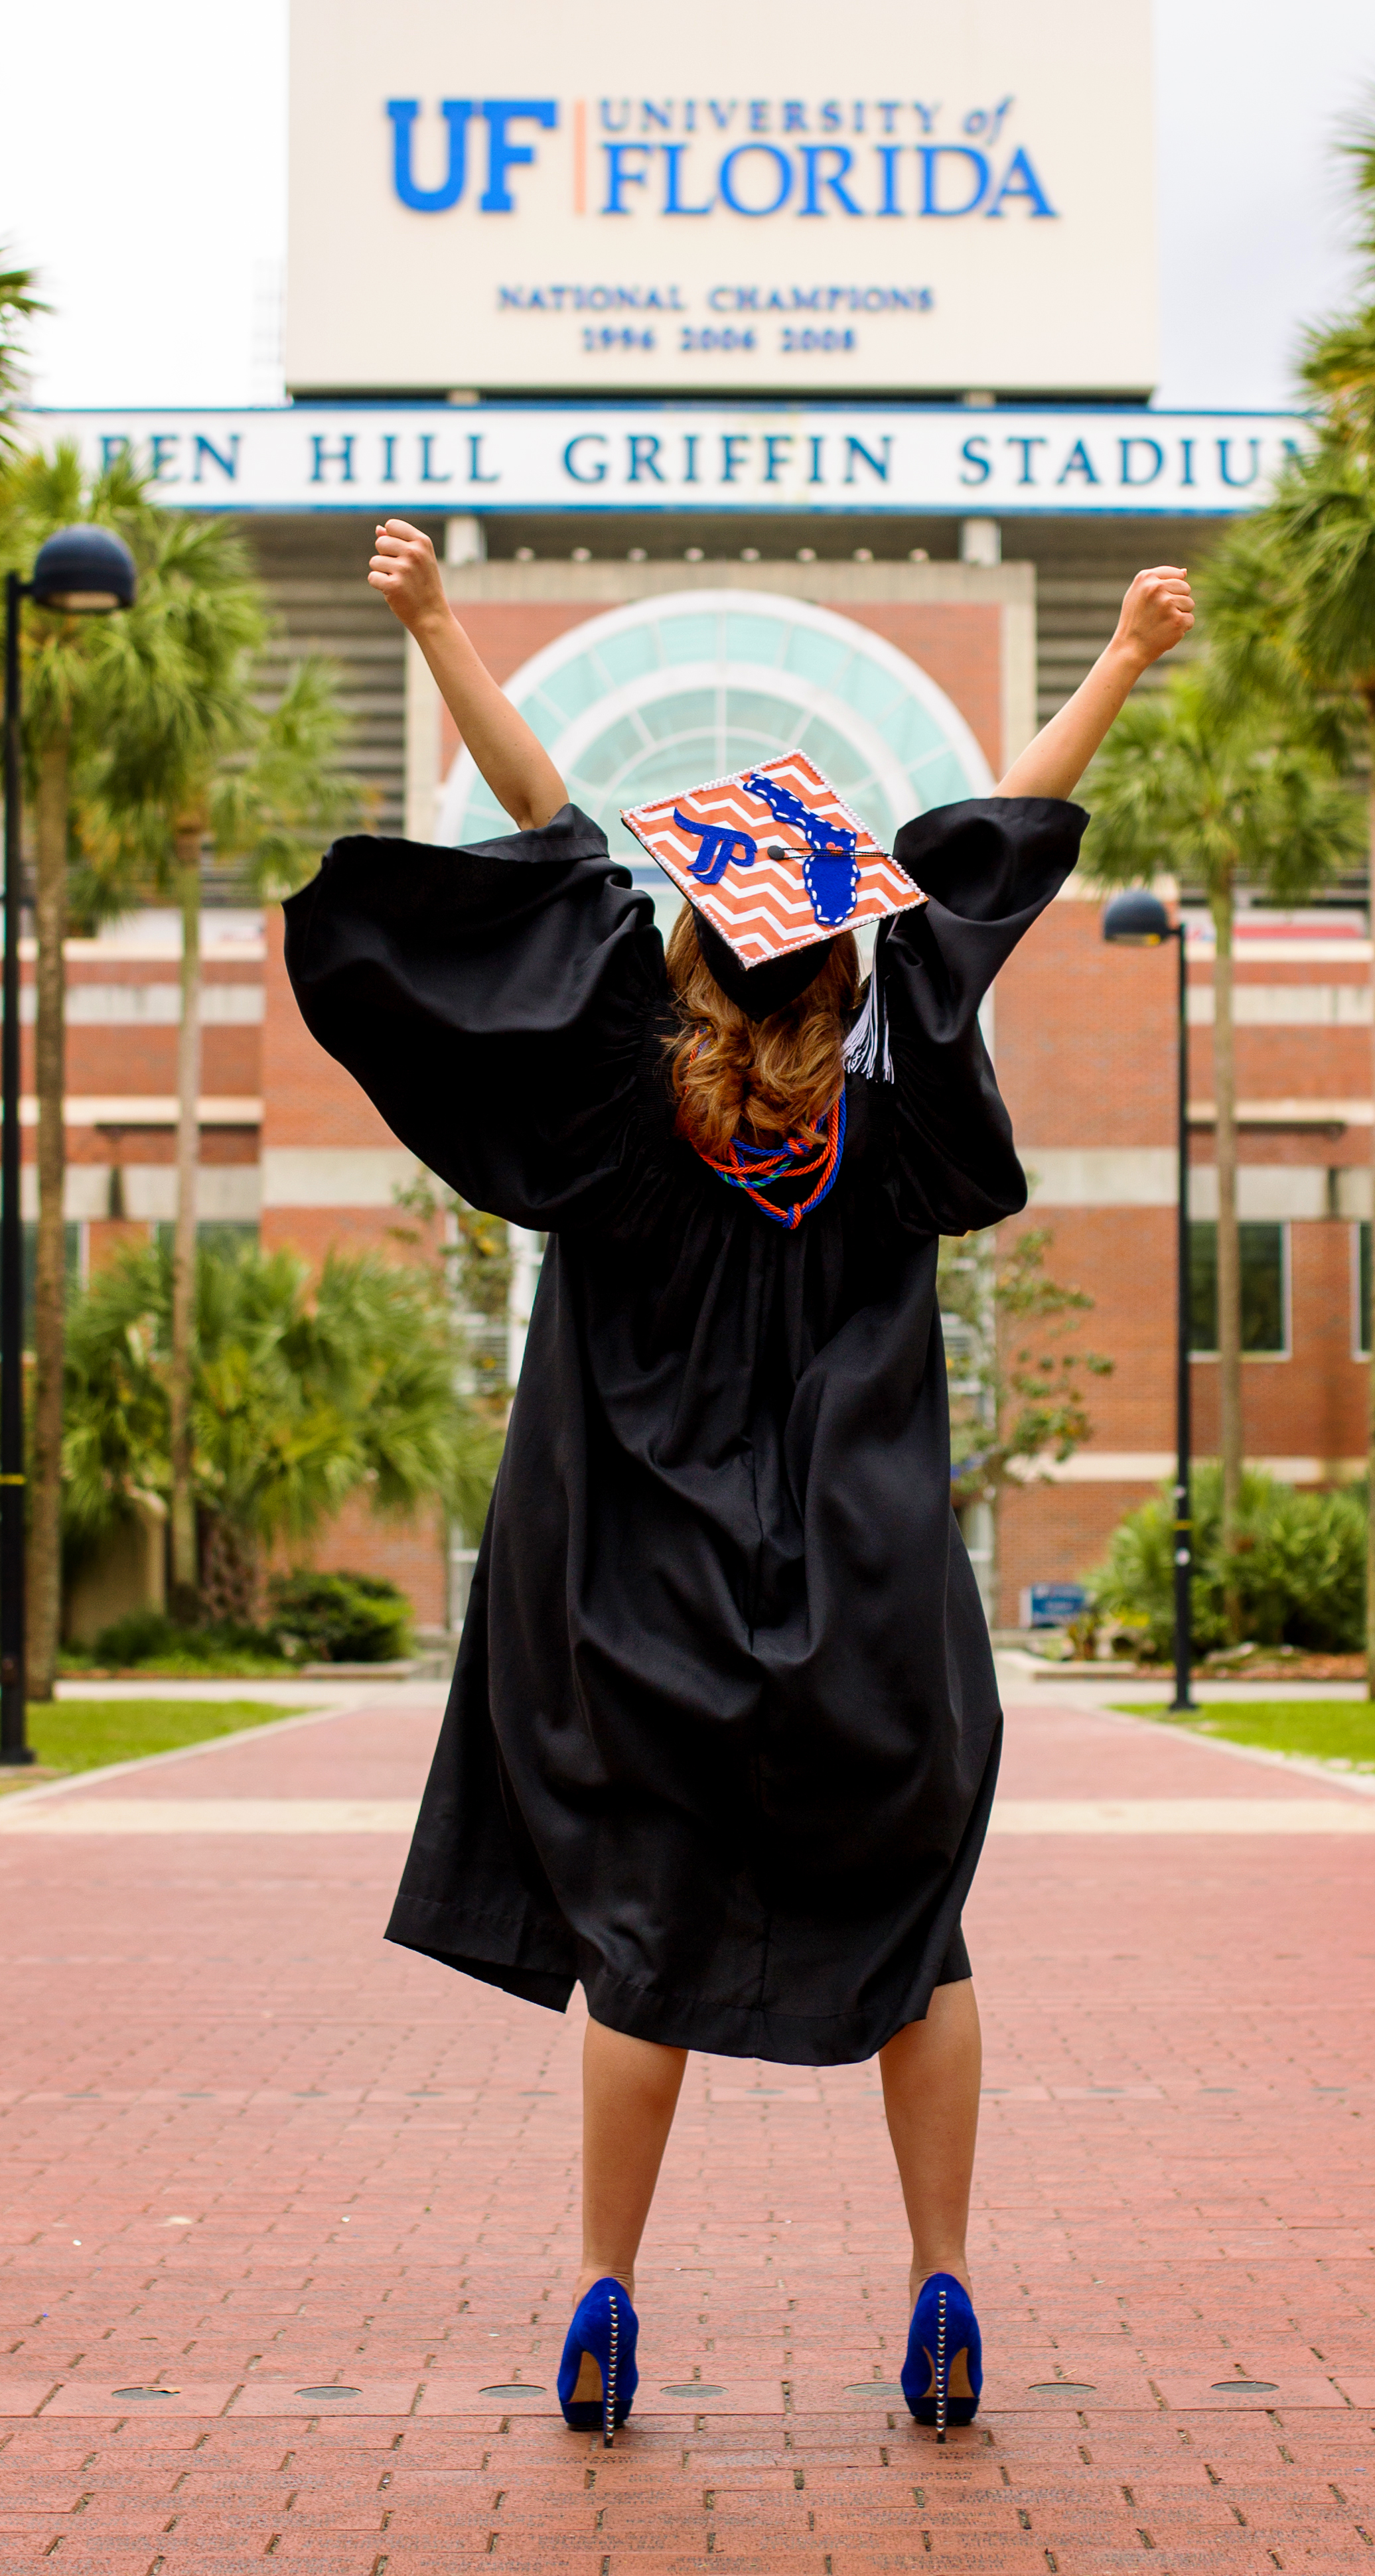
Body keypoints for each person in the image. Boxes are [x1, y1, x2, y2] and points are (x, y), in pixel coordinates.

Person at [285, 523, 1193, 2444]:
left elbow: (546, 823)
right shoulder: (907, 1100)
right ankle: (942, 2281)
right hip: (871, 1609)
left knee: (646, 1954)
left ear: (692, 941)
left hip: (652, 1616)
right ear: (853, 956)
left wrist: (437, 624)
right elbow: (991, 861)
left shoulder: (622, 1097)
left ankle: (608, 2295)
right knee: (916, 1943)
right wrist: (1117, 656)